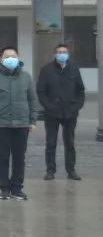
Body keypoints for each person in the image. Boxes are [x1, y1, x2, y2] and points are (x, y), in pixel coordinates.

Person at [0, 46, 37, 201]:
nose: (10, 59)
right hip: (2, 124)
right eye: (7, 56)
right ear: (1, 59)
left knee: (19, 157)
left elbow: (32, 100)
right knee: (3, 157)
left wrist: (33, 120)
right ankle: (4, 188)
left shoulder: (26, 77)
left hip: (22, 124)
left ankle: (17, 188)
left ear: (18, 58)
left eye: (13, 56)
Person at [37, 44, 85, 181]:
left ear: (68, 54)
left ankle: (71, 170)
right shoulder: (46, 70)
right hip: (52, 114)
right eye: (59, 52)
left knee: (69, 142)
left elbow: (80, 90)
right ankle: (50, 170)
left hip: (70, 113)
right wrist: (48, 106)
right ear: (55, 54)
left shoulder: (74, 68)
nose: (61, 54)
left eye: (64, 52)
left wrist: (76, 107)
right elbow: (41, 91)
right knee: (50, 143)